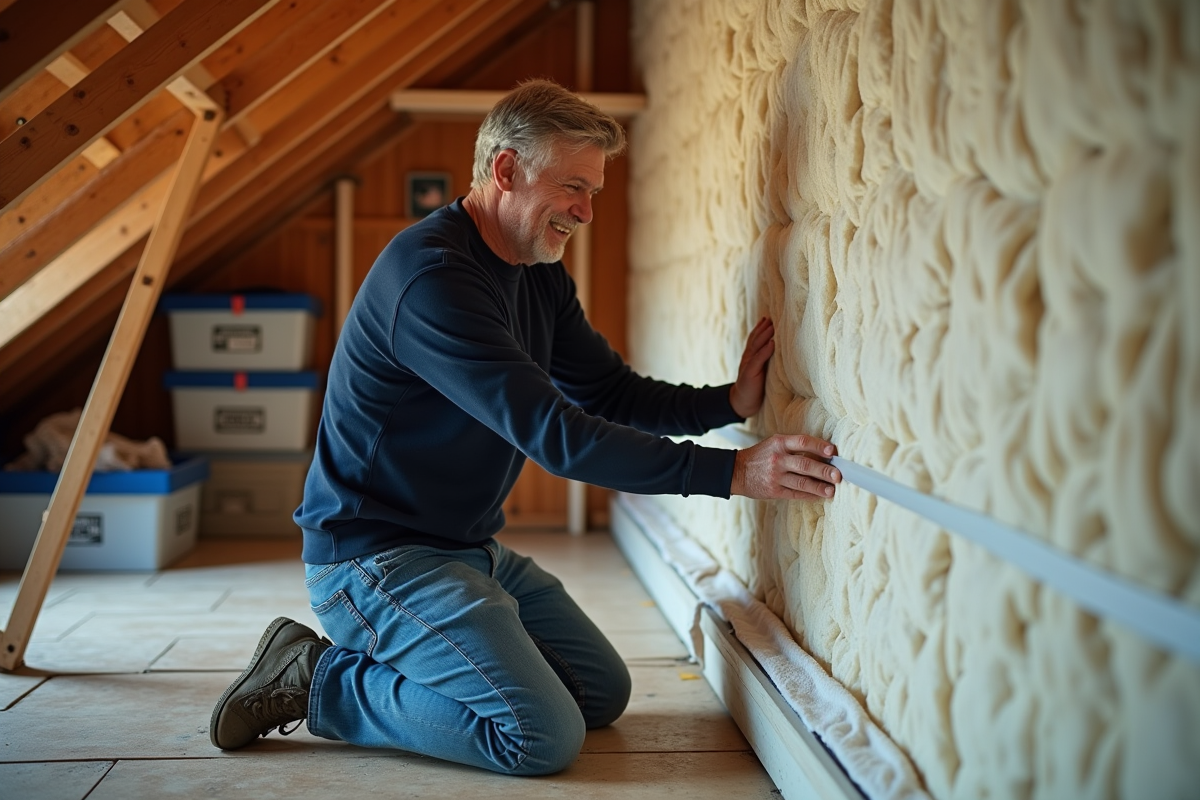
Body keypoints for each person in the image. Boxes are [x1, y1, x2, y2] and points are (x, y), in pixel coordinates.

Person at [208, 79, 842, 776]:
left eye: (594, 192)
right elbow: (555, 435)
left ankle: (444, 644)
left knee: (601, 692)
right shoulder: (431, 280)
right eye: (574, 186)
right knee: (538, 736)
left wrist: (726, 403)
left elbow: (603, 389)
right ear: (506, 170)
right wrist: (731, 473)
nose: (587, 211)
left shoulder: (535, 272)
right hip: (373, 560)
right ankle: (317, 678)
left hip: (463, 548)